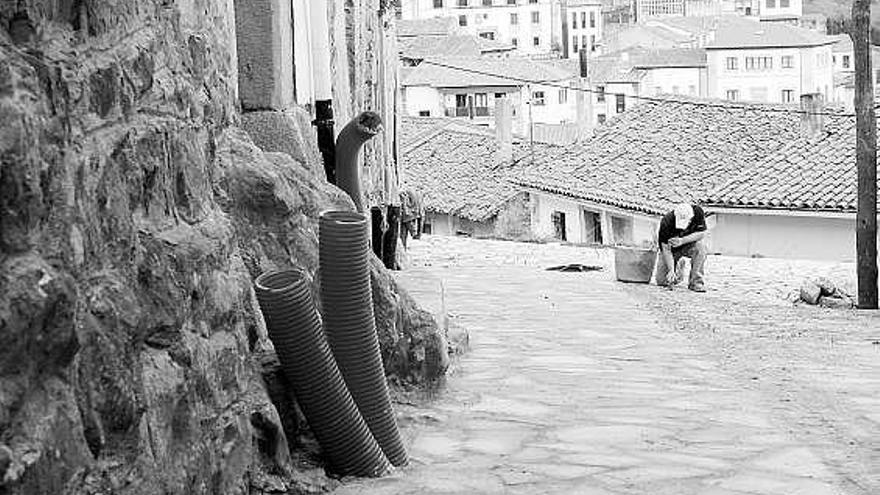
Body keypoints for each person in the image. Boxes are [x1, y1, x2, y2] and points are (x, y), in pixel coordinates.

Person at [656, 203, 708, 291]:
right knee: (662, 281)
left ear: (691, 219)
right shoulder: (666, 221)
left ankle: (696, 282)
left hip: (689, 244)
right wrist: (671, 270)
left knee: (701, 248)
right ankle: (678, 266)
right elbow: (665, 249)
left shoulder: (698, 212)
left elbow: (701, 234)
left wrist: (682, 241)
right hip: (672, 250)